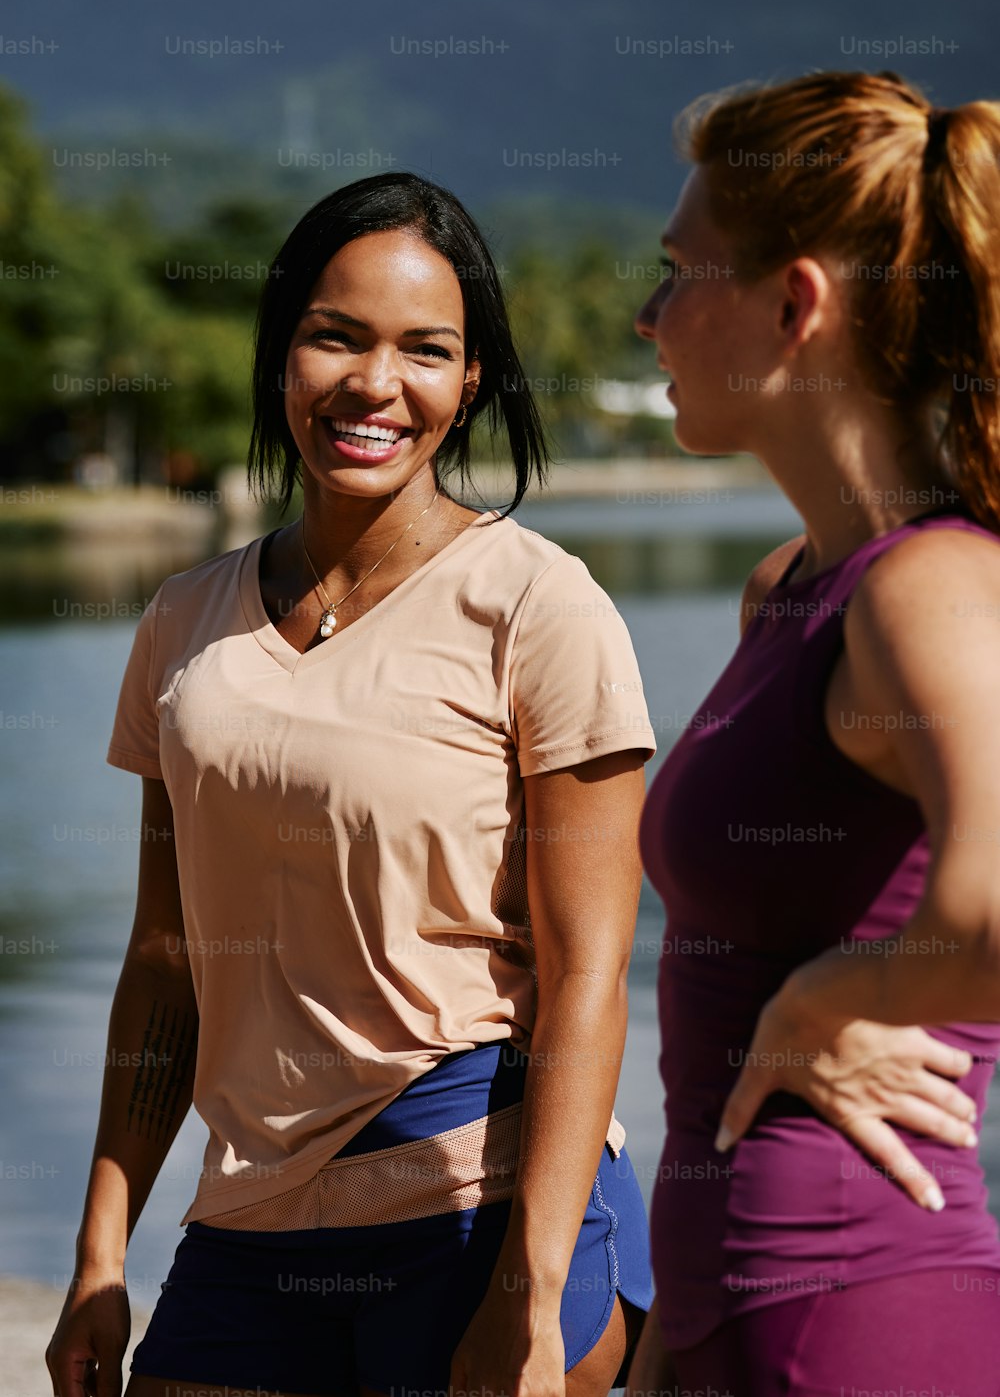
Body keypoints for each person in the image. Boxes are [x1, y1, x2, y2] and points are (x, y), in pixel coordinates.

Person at [45, 171, 660, 1397]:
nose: (376, 384)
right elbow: (168, 957)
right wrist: (100, 1251)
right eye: (336, 336)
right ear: (282, 352)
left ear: (470, 381)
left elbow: (590, 971)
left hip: (470, 1195)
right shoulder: (183, 622)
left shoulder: (538, 604)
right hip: (248, 1213)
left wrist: (530, 1292)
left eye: (425, 350)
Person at [626, 69, 1000, 1396]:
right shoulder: (792, 587)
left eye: (678, 273)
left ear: (794, 305)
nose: (646, 316)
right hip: (727, 1304)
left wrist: (823, 999)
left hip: (856, 1304)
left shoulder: (931, 583)